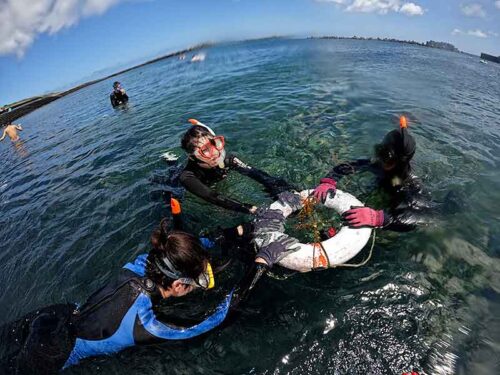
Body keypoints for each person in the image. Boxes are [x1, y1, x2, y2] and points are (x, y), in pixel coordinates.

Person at [0, 215, 292, 374]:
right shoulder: (146, 325)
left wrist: (239, 231)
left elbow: (184, 246)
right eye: (198, 281)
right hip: (49, 359)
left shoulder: (143, 262)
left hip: (52, 316)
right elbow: (220, 318)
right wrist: (261, 264)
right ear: (178, 286)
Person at [313, 116, 434, 232]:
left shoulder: (410, 183)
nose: (379, 160)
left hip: (396, 199)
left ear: (399, 163)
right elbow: (347, 166)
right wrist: (329, 181)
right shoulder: (378, 164)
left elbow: (422, 216)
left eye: (386, 157)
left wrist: (379, 218)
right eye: (379, 151)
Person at [179, 119, 295, 215]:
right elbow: (212, 197)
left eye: (214, 143)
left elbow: (258, 174)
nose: (215, 152)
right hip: (183, 185)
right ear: (192, 157)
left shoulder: (228, 159)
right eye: (205, 150)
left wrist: (287, 191)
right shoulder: (188, 177)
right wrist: (252, 209)